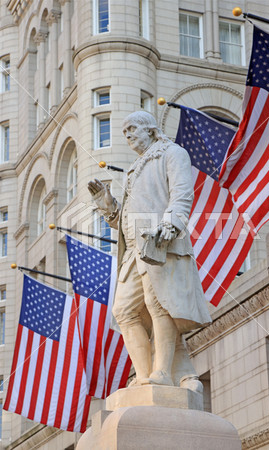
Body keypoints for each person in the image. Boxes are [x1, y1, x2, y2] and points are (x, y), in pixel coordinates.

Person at [88, 111, 211, 391]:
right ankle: (144, 376)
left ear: (151, 130)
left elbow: (182, 194)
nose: (128, 135)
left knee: (159, 305)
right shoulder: (135, 168)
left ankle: (162, 374)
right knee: (123, 311)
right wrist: (107, 206)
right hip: (133, 251)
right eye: (124, 132)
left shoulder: (172, 153)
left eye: (132, 128)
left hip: (160, 243)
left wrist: (171, 224)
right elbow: (126, 219)